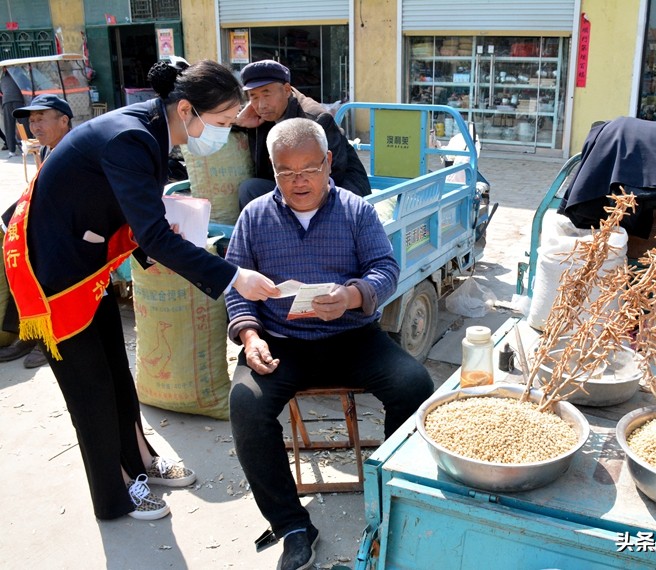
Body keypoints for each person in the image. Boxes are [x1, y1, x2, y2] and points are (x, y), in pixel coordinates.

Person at [2, 59, 278, 522]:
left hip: (87, 258)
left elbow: (139, 213)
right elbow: (151, 234)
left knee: (113, 364)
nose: (226, 131)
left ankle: (141, 460)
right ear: (187, 109)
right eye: (224, 122)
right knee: (88, 387)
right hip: (52, 270)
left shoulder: (155, 130)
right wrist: (232, 276)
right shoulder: (132, 138)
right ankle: (115, 494)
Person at [225, 118, 433, 570]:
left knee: (415, 385)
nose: (298, 181)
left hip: (351, 337)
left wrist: (352, 296)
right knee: (245, 404)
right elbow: (235, 285)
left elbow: (385, 268)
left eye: (309, 169)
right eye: (285, 171)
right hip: (282, 342)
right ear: (273, 170)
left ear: (328, 163)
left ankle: (393, 493)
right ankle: (293, 525)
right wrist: (250, 334)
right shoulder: (255, 215)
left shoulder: (356, 211)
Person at [234, 59, 370, 209]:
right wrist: (238, 121)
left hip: (336, 188)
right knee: (250, 188)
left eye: (266, 94)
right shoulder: (259, 117)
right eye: (254, 97)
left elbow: (334, 172)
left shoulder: (315, 119)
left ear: (286, 90)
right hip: (294, 186)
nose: (261, 105)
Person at [0, 94, 74, 368]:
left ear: (64, 120)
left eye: (41, 119)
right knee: (14, 256)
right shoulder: (46, 150)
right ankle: (29, 332)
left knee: (37, 263)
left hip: (73, 235)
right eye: (32, 121)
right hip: (50, 225)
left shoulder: (75, 150)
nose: (35, 127)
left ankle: (47, 337)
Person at [1, 67, 25, 158]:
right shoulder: (19, 77)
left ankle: (11, 150)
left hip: (6, 102)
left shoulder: (3, 79)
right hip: (18, 101)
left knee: (9, 126)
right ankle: (26, 146)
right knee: (23, 124)